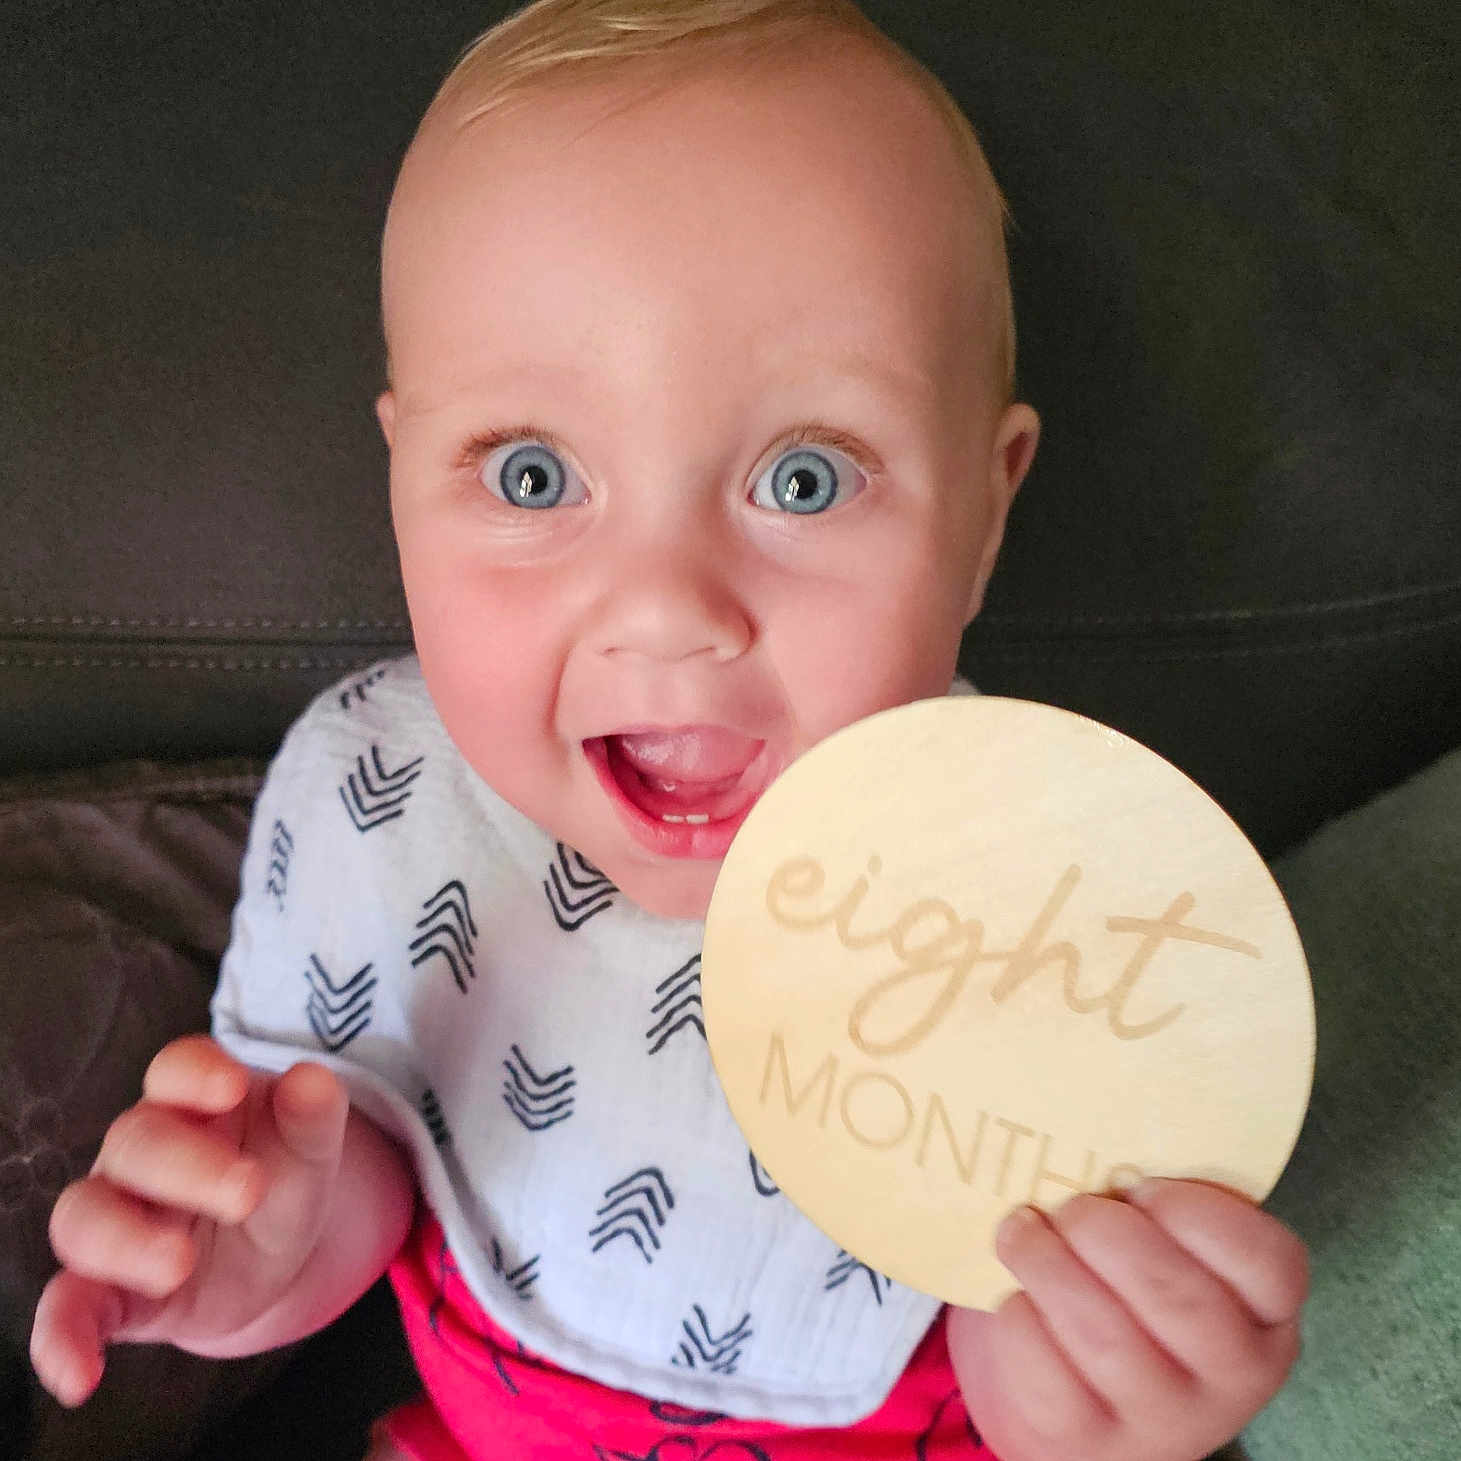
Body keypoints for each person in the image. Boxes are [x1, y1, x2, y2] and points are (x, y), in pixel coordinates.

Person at [29, 2, 1309, 1457]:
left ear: (981, 515)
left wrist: (1109, 1381)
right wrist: (260, 1254)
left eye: (807, 479)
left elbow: (1026, 1288)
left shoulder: (1044, 890)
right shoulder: (382, 797)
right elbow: (366, 1156)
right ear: (399, 485)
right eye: (528, 473)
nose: (668, 611)